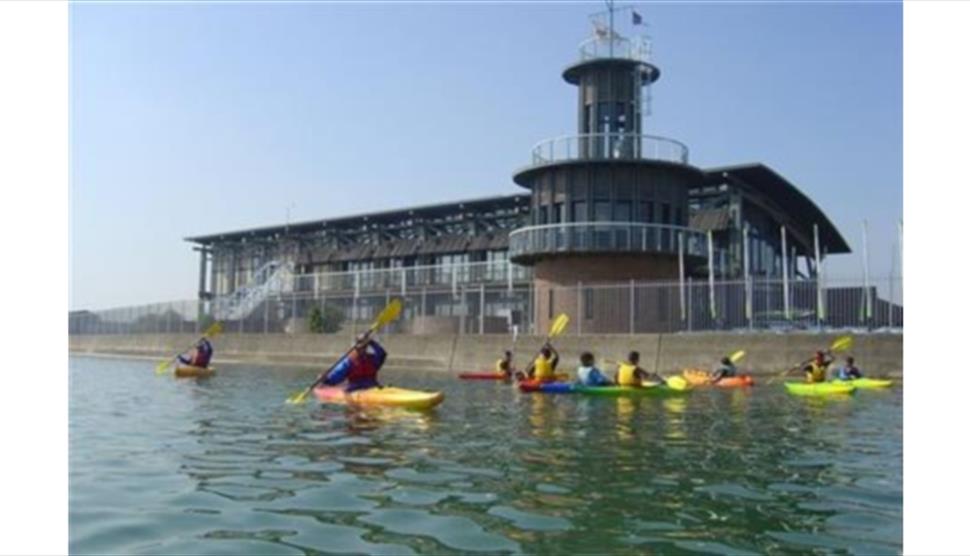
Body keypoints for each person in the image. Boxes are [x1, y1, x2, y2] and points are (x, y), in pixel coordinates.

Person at [321, 334, 387, 392]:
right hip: (354, 390)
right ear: (356, 348)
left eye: (365, 347)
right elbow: (336, 378)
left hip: (373, 388)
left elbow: (382, 354)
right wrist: (326, 379)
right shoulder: (349, 361)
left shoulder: (372, 359)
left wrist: (371, 342)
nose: (363, 349)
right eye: (361, 347)